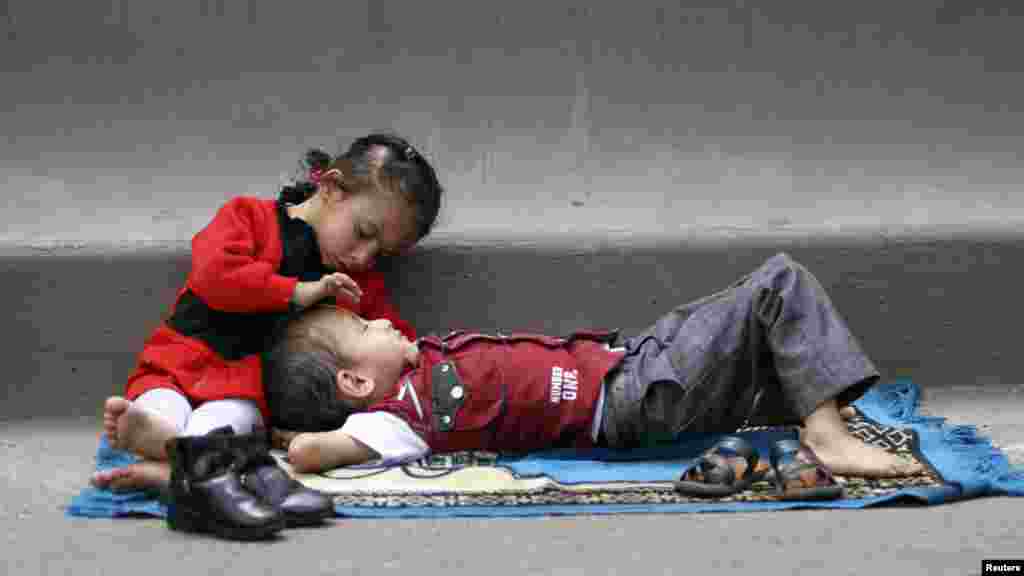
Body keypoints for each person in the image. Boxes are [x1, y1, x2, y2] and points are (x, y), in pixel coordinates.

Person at [263, 253, 924, 485]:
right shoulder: (395, 421)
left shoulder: (409, 381)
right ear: (354, 382)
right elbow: (323, 453)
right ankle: (823, 431)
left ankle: (796, 411)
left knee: (733, 316)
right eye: (363, 328)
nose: (380, 320)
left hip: (629, 364)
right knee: (778, 284)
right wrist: (295, 442)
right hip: (633, 399)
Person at [91, 132, 444, 492]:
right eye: (363, 232)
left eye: (380, 252)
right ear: (332, 188)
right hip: (180, 361)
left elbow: (387, 336)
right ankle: (155, 434)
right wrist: (298, 291)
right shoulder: (248, 218)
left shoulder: (357, 281)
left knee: (231, 423)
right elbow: (214, 276)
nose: (364, 256)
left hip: (243, 389)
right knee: (161, 403)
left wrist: (428, 358)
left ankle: (173, 465)